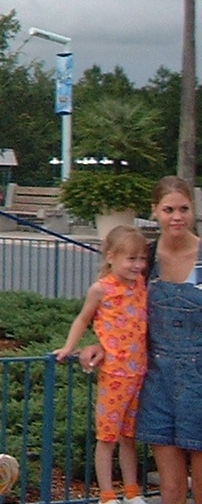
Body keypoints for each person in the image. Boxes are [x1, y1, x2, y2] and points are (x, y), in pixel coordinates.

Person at [54, 225, 148, 504]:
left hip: (139, 371)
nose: (137, 265)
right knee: (107, 437)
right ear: (111, 257)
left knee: (129, 436)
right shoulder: (101, 289)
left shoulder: (140, 284)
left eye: (141, 259)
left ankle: (132, 491)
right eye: (131, 259)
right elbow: (83, 319)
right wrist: (69, 347)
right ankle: (107, 495)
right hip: (115, 373)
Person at [130, 176, 201, 504]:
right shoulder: (144, 259)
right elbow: (119, 309)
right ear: (155, 211)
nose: (177, 217)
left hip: (199, 379)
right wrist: (101, 345)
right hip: (158, 380)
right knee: (170, 488)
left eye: (184, 209)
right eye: (169, 210)